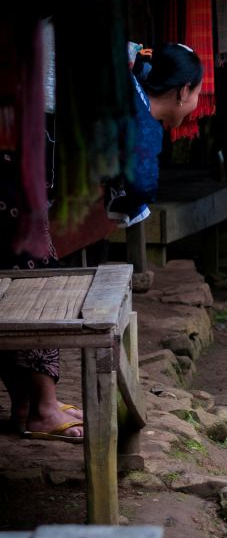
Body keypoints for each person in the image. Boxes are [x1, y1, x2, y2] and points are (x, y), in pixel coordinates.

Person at [2, 42, 203, 443]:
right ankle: (42, 409)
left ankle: (27, 405)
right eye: (198, 92)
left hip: (19, 147)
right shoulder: (141, 119)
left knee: (19, 269)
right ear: (182, 91)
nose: (197, 101)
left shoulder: (123, 83)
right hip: (18, 159)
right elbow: (140, 185)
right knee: (34, 277)